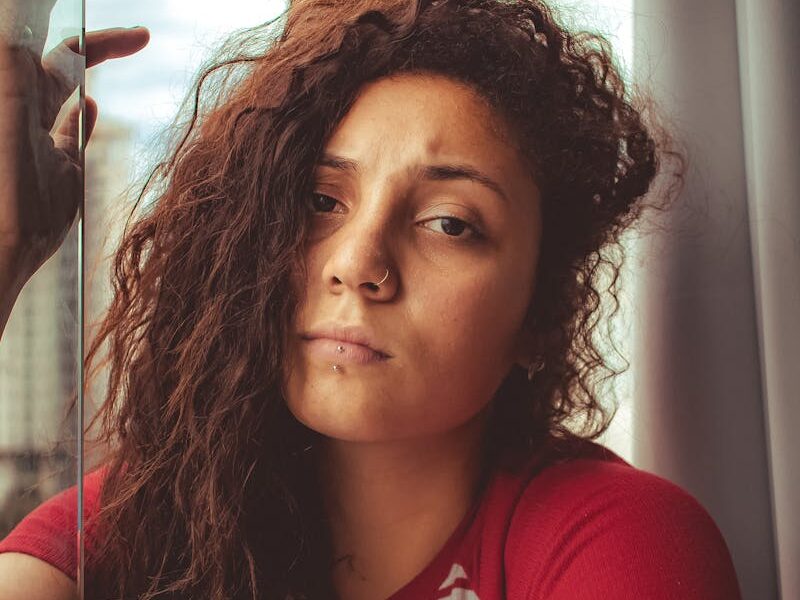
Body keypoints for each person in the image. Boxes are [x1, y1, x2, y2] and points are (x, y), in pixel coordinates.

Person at [0, 0, 742, 598]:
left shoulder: (616, 541)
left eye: (450, 223)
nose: (358, 265)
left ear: (542, 317)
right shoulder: (149, 512)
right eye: (322, 200)